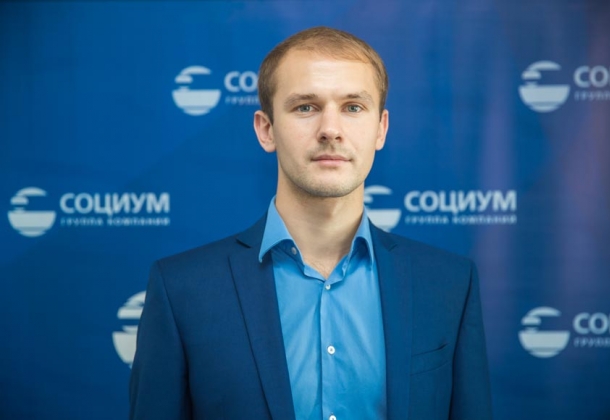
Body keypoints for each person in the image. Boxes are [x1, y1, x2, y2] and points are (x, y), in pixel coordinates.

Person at [130, 26, 492, 420]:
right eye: (306, 107)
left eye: (353, 107)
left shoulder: (448, 283)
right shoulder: (182, 289)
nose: (330, 130)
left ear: (381, 129)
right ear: (266, 130)